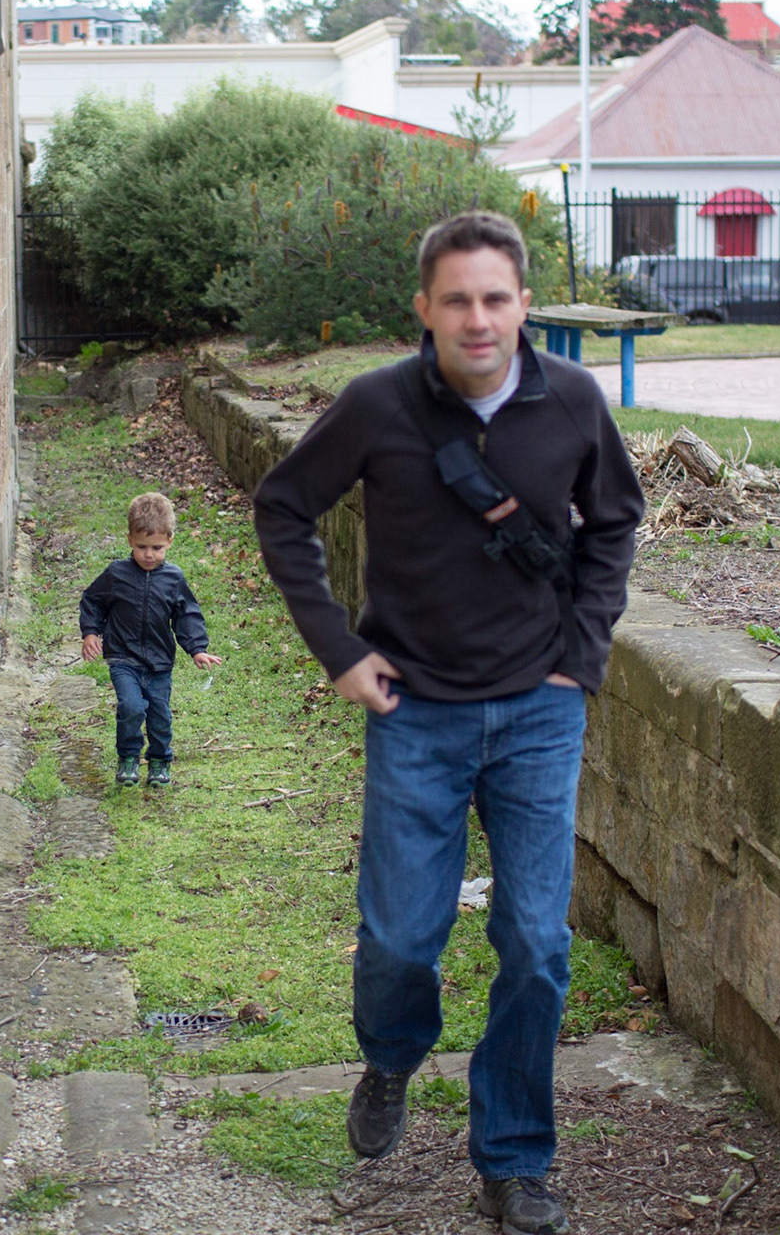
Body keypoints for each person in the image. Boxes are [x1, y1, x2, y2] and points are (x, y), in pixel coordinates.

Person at [253, 212, 643, 1235]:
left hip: (537, 712)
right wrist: (341, 650)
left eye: (497, 298)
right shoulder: (378, 405)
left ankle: (514, 1160)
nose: (479, 319)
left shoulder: (572, 402)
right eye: (458, 299)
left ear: (524, 305)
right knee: (399, 939)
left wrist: (581, 656)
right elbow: (284, 507)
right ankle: (390, 1055)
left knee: (535, 942)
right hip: (414, 710)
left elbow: (614, 522)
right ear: (424, 308)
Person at [80, 492, 223, 787]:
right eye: (142, 547)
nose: (149, 555)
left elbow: (187, 615)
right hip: (123, 658)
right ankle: (129, 757)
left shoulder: (173, 578)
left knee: (159, 714)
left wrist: (197, 648)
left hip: (159, 662)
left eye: (157, 548)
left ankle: (159, 760)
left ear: (169, 541)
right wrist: (91, 632)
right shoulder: (116, 574)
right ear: (130, 539)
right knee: (132, 707)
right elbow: (93, 600)